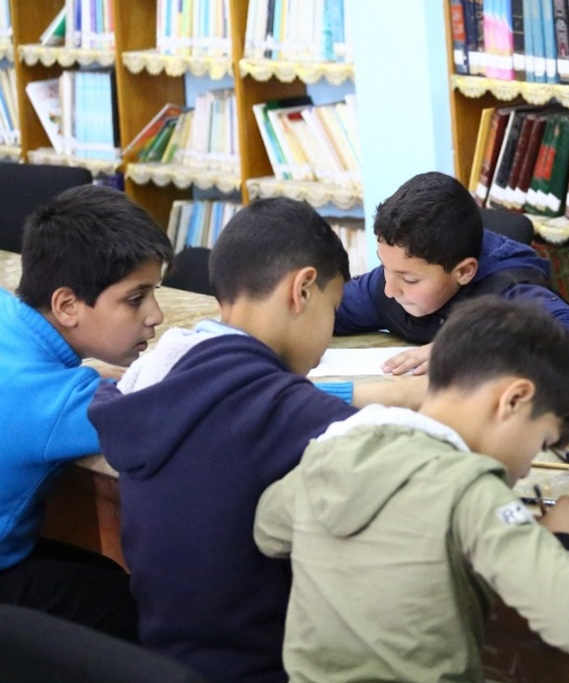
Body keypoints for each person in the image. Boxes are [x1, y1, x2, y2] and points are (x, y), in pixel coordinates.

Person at [89, 198, 426, 683]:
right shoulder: (293, 416)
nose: (329, 333)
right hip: (267, 668)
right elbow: (435, 476)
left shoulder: (154, 378)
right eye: (333, 311)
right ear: (302, 290)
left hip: (166, 656)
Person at [254, 297, 569, 682]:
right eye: (542, 441)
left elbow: (268, 528)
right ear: (514, 399)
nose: (529, 466)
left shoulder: (332, 452)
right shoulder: (471, 489)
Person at [0, 185, 170, 641]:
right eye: (136, 298)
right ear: (66, 305)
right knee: (136, 608)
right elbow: (194, 405)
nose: (156, 315)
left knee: (101, 576)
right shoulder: (58, 402)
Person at [333, 171, 569, 375]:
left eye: (410, 280)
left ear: (464, 272)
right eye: (384, 267)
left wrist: (467, 347)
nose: (390, 289)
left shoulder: (508, 289)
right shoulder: (393, 279)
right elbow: (325, 309)